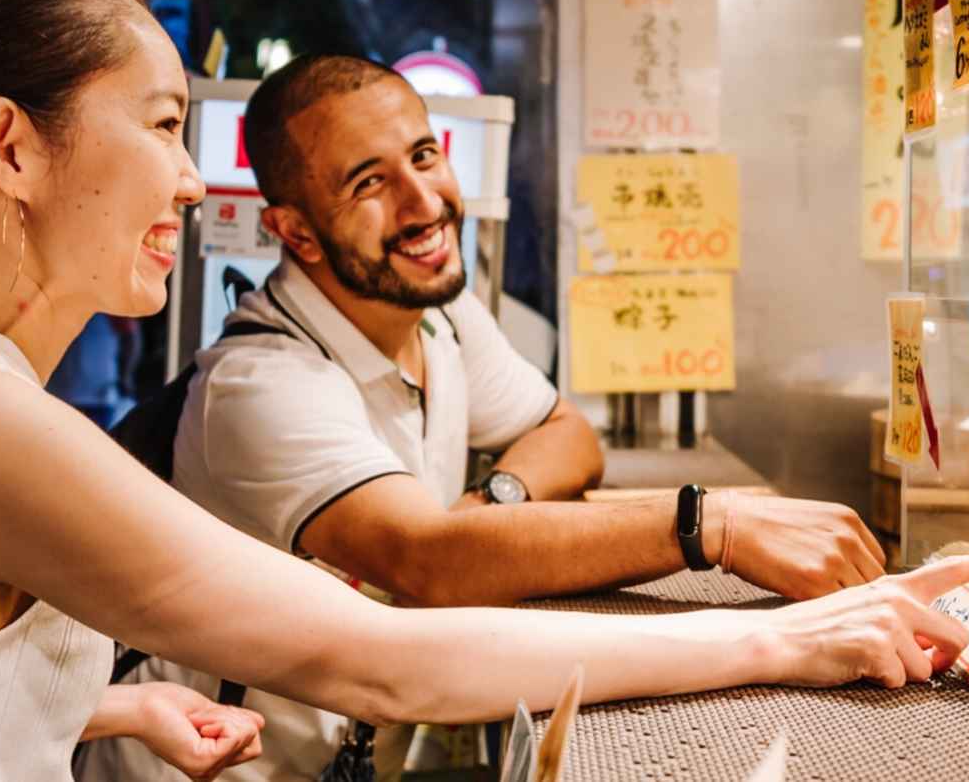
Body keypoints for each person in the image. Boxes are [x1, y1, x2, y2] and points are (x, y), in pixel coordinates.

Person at [0, 0, 969, 782]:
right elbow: (384, 656)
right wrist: (781, 633)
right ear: (11, 147)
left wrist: (115, 710)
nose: (192, 185)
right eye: (161, 124)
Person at [81, 55, 905, 782]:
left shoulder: (438, 314)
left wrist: (496, 500)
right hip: (212, 768)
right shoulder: (261, 384)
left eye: (425, 156)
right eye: (367, 183)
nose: (422, 204)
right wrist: (713, 523)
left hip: (347, 746)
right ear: (293, 231)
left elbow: (567, 435)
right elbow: (426, 561)